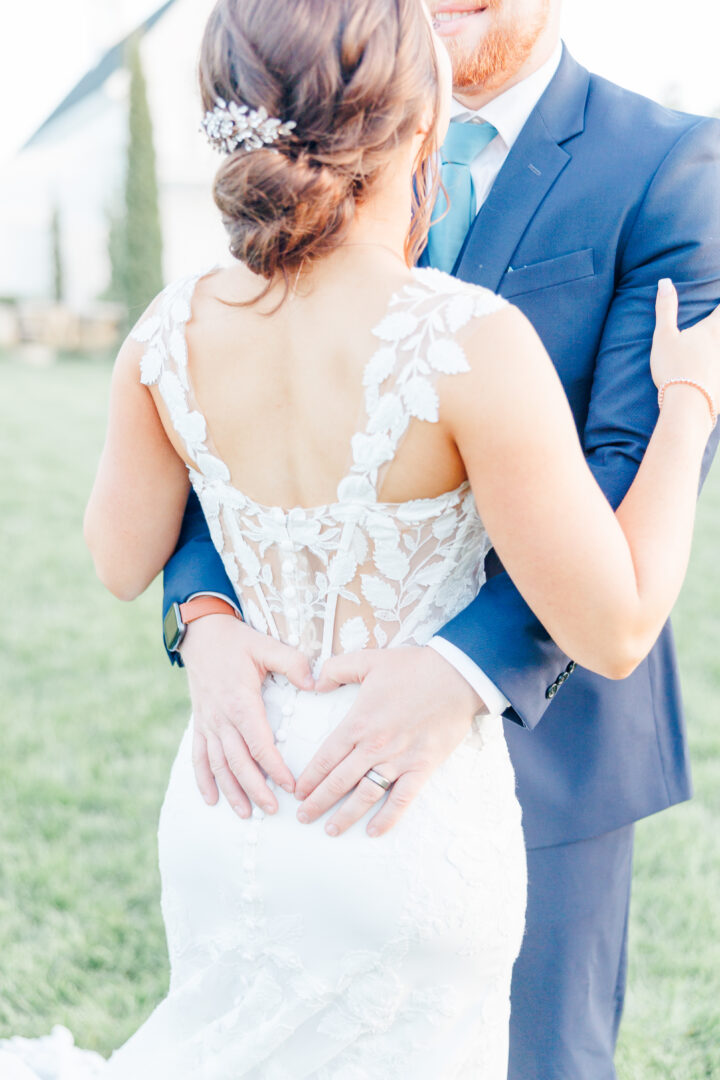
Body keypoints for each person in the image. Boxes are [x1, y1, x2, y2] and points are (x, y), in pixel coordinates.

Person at [2, 0, 718, 1077]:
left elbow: (117, 554)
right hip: (407, 850)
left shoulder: (166, 328)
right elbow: (616, 618)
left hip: (241, 809)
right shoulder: (470, 340)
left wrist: (450, 665)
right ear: (416, 124)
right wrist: (695, 405)